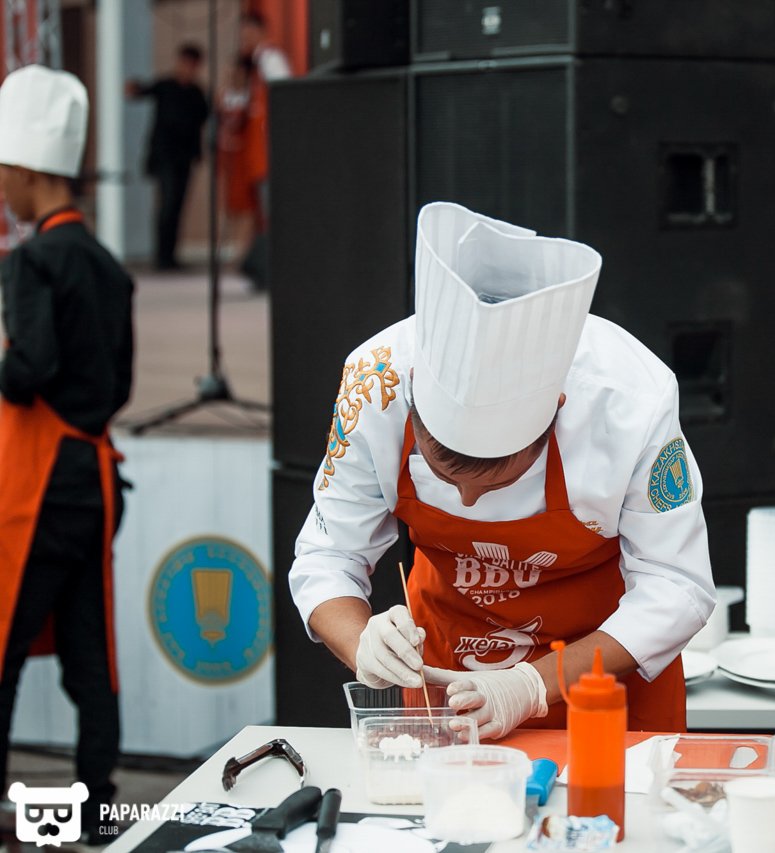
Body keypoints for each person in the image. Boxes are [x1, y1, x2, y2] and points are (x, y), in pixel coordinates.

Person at [290, 203, 714, 738]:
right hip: (447, 676)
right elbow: (328, 556)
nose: (467, 502)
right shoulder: (374, 385)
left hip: (605, 679)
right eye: (445, 477)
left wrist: (531, 684)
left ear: (557, 411)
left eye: (498, 481)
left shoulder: (628, 401)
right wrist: (364, 647)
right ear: (412, 398)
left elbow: (676, 585)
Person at [0, 65, 133, 842]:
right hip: (95, 479)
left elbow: (29, 369)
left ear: (26, 170)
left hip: (39, 483)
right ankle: (100, 807)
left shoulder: (30, 261)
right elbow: (118, 382)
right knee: (90, 653)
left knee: (4, 646)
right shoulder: (108, 266)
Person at [125, 43, 210, 271]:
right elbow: (141, 91)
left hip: (184, 157)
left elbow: (206, 116)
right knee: (168, 203)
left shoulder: (196, 93)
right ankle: (162, 255)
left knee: (178, 205)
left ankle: (170, 255)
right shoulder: (166, 86)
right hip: (165, 156)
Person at [236, 12, 291, 290]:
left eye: (248, 33)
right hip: (257, 156)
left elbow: (285, 99)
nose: (244, 40)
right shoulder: (253, 66)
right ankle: (262, 270)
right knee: (264, 216)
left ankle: (273, 272)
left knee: (273, 216)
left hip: (269, 155)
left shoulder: (271, 60)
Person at [217, 56, 259, 263]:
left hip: (244, 156)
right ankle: (227, 246)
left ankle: (243, 249)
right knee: (228, 204)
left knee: (247, 205)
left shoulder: (252, 97)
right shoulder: (224, 96)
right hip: (227, 157)